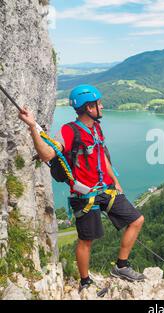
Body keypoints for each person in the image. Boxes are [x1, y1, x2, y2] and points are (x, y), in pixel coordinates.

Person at [18, 84, 146, 292]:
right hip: (84, 196)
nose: (102, 106)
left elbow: (101, 157)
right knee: (87, 241)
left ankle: (121, 266)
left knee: (136, 220)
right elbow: (47, 155)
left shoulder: (96, 127)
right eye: (98, 103)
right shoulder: (69, 132)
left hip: (105, 189)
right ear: (88, 107)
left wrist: (115, 180)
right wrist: (33, 127)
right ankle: (85, 281)